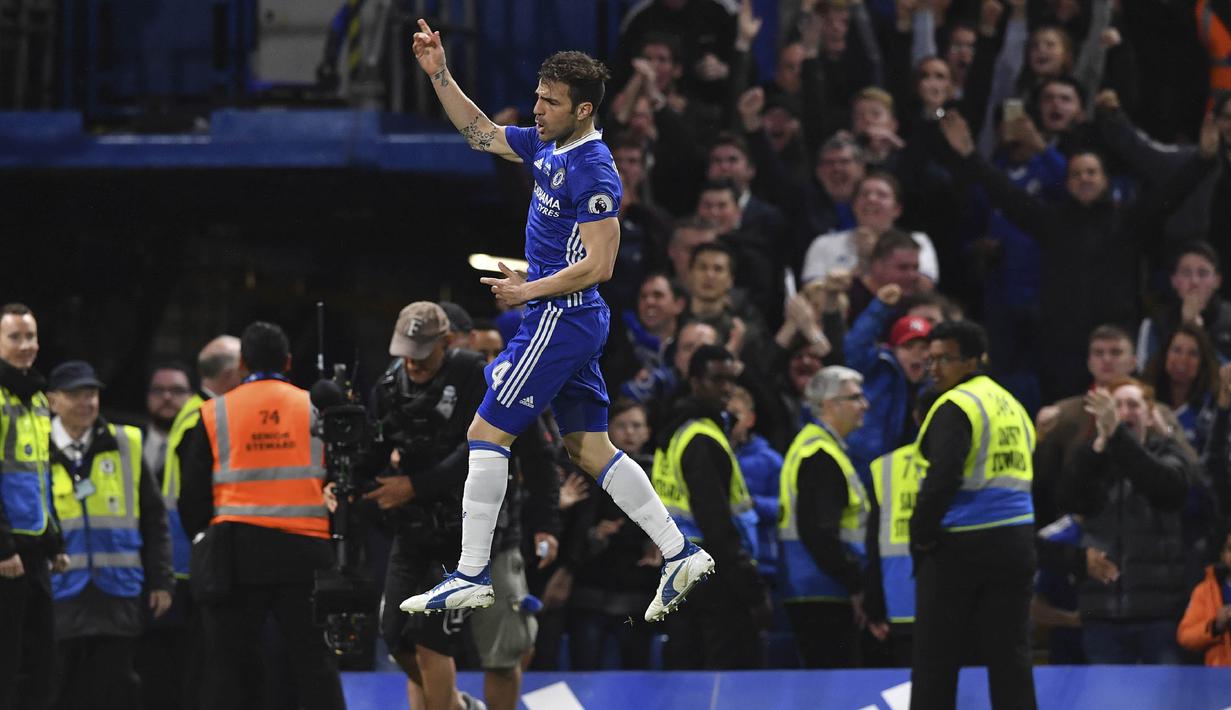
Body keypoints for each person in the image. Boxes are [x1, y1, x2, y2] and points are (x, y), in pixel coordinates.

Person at [403, 24, 711, 627]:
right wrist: (438, 72)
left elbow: (600, 264)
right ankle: (678, 552)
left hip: (559, 317)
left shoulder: (596, 170)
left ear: (584, 109)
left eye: (550, 101)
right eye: (538, 96)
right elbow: (481, 134)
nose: (537, 108)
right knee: (587, 448)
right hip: (567, 319)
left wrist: (527, 291)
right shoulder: (550, 144)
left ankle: (470, 574)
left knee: (487, 432)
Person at [177, 321, 344, 710]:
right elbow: (342, 479)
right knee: (316, 665)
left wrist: (205, 539)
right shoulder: (314, 407)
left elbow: (192, 497)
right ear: (287, 361)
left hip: (236, 556)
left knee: (227, 668)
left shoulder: (213, 414)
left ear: (242, 363)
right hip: (308, 556)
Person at [357, 302, 490, 710]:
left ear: (447, 342)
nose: (411, 365)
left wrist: (415, 485)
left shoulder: (472, 373)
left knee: (432, 641)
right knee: (394, 635)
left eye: (421, 355)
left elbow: (479, 449)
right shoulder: (388, 386)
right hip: (412, 530)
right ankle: (459, 706)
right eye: (405, 354)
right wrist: (345, 483)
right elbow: (375, 453)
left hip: (462, 530)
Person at [909, 320, 1037, 710]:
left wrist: (922, 533)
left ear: (974, 361)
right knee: (1011, 658)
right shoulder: (1012, 405)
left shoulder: (957, 404)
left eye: (945, 359)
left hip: (962, 543)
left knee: (936, 660)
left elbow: (942, 477)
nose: (934, 368)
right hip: (1016, 542)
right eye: (930, 359)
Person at [45, 360, 173, 710]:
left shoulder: (126, 442)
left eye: (92, 394)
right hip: (59, 593)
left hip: (117, 592)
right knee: (56, 691)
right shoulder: (35, 449)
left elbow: (154, 518)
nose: (87, 402)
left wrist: (161, 579)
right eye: (76, 395)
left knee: (113, 691)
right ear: (52, 401)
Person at [137, 334, 242, 710]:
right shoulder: (205, 415)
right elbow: (198, 496)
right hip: (191, 562)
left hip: (186, 558)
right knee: (190, 669)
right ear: (231, 373)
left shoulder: (197, 412)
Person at [1057, 377, 1191, 665]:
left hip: (1159, 616)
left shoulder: (1168, 454)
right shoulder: (1092, 459)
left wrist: (1118, 436)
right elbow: (1070, 498)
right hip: (1102, 615)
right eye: (1117, 406)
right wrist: (1100, 446)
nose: (1126, 411)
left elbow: (1165, 487)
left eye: (1134, 405)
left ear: (1150, 414)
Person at [650, 345, 766, 669]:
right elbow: (716, 524)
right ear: (696, 381)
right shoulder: (701, 438)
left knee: (689, 668)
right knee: (727, 672)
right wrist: (752, 588)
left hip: (679, 568)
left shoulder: (676, 431)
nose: (727, 388)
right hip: (713, 573)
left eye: (731, 380)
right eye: (717, 379)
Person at [778, 366, 879, 668]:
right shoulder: (820, 455)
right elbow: (819, 532)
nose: (866, 404)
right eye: (856, 397)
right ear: (830, 405)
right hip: (822, 590)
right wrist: (856, 583)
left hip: (814, 586)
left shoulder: (817, 447)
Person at [0, 303, 66, 710]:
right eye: (14, 337)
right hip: (7, 552)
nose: (26, 345)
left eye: (31, 337)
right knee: (6, 660)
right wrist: (3, 544)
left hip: (35, 547)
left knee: (41, 658)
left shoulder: (37, 399)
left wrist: (54, 539)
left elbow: (41, 475)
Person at [843, 283, 932, 476]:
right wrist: (880, 307)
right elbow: (854, 347)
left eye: (924, 348)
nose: (918, 355)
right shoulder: (879, 368)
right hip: (866, 469)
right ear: (893, 350)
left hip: (907, 476)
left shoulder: (935, 384)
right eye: (909, 347)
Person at [1177, 525, 1231, 666]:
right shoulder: (1205, 591)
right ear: (1223, 555)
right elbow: (1185, 636)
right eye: (1230, 549)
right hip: (1217, 677)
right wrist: (1215, 626)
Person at [142, 363, 192, 476]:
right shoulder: (126, 442)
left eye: (177, 390)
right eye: (158, 390)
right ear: (147, 395)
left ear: (192, 396)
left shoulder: (201, 445)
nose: (167, 397)